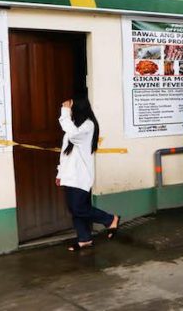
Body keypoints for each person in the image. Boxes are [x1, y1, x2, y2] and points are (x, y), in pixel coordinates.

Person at [56, 96, 119, 251]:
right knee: (74, 208)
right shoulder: (74, 126)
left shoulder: (88, 126)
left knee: (79, 208)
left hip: (81, 176)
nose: (68, 109)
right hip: (69, 176)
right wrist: (60, 173)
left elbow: (73, 135)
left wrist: (65, 112)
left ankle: (110, 219)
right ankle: (84, 238)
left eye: (71, 106)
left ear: (78, 108)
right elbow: (65, 153)